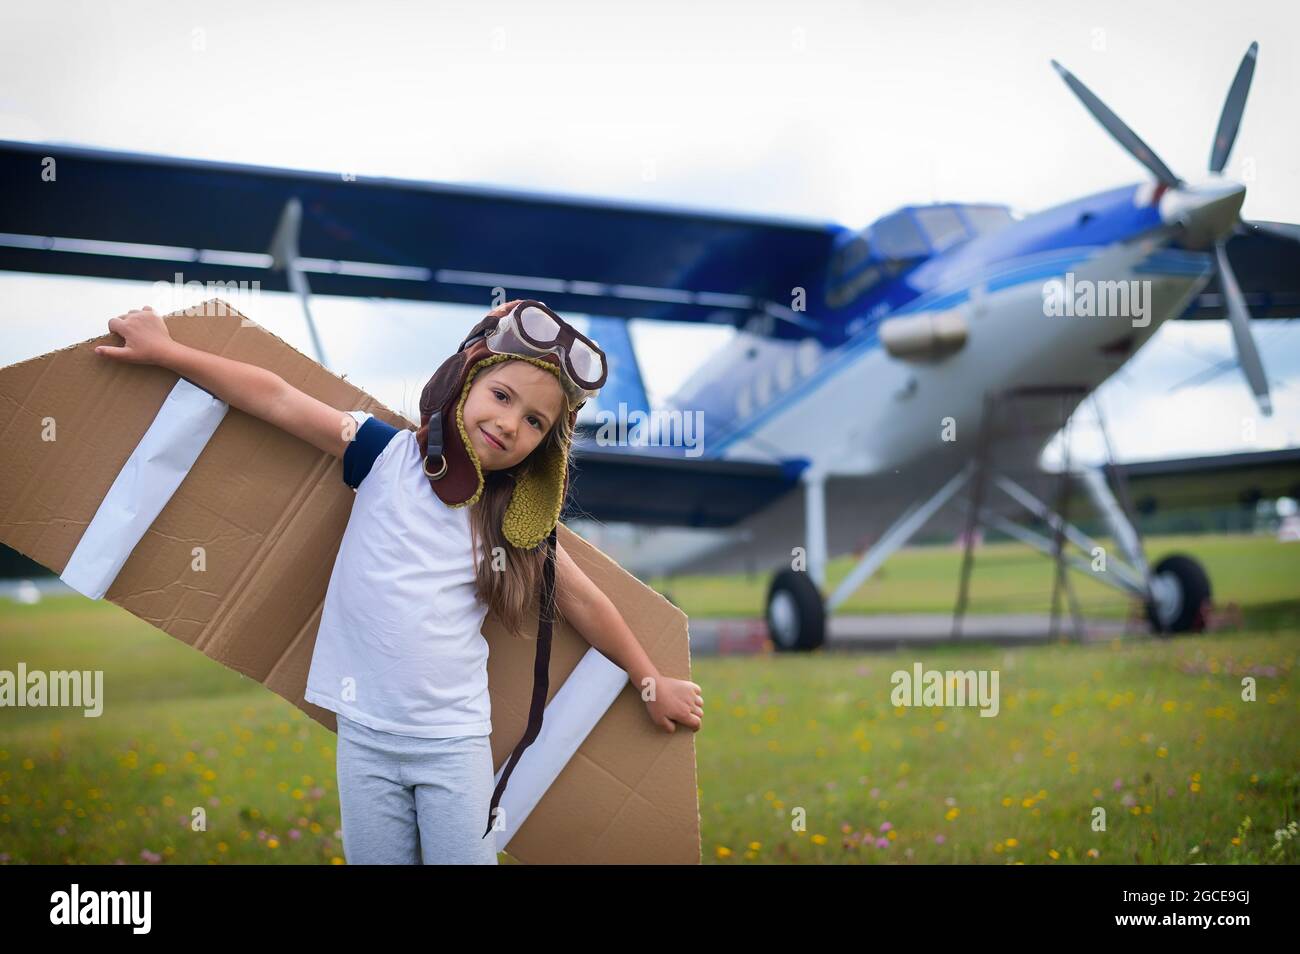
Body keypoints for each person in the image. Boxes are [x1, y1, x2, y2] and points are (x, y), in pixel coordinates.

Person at [95, 299, 705, 864]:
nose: (511, 423)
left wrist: (651, 680)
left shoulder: (512, 522)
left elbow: (583, 602)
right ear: (464, 378)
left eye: (536, 422)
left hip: (453, 745)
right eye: (501, 394)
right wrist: (167, 352)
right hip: (364, 737)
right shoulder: (382, 455)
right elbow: (276, 398)